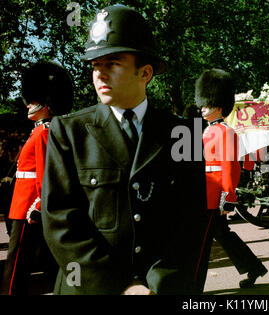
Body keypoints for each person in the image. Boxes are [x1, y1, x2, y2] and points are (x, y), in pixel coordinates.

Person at [41, 5, 210, 295]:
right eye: (95, 66)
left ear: (145, 72)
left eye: (112, 64)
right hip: (89, 288)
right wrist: (121, 286)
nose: (100, 74)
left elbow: (191, 220)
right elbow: (60, 221)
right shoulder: (68, 132)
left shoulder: (185, 134)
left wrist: (157, 282)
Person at [1, 61, 73, 295]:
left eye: (33, 99)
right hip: (21, 205)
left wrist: (39, 206)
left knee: (15, 269)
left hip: (28, 208)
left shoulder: (44, 131)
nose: (29, 104)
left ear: (47, 102)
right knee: (43, 262)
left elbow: (46, 174)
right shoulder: (39, 129)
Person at [195, 68, 268, 289]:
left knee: (204, 242)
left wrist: (227, 197)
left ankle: (194, 285)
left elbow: (229, 167)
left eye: (206, 104)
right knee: (221, 235)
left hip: (215, 194)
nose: (202, 107)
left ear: (218, 106)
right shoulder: (208, 130)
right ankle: (253, 267)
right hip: (206, 192)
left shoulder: (225, 132)